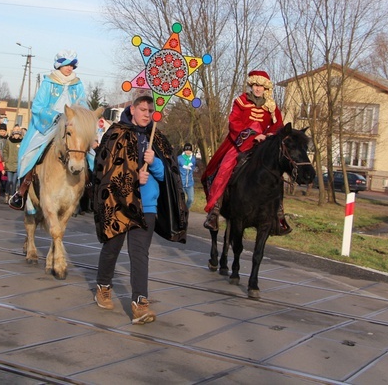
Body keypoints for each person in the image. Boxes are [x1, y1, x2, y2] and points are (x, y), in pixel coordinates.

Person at [92, 95, 188, 325]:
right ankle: (103, 286)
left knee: (139, 254)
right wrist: (135, 176)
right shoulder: (116, 133)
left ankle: (140, 304)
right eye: (142, 109)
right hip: (119, 203)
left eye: (149, 110)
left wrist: (154, 163)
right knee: (112, 247)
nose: (146, 113)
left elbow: (169, 176)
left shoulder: (159, 139)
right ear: (132, 109)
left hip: (147, 206)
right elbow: (104, 167)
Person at [201, 70, 284, 233]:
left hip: (264, 145)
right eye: (255, 85)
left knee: (277, 173)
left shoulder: (272, 106)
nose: (258, 88)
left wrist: (268, 136)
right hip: (241, 143)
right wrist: (253, 135)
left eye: (260, 85)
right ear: (251, 85)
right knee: (224, 168)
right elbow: (234, 122)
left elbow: (278, 126)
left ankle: (279, 215)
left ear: (265, 87)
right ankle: (215, 211)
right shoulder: (240, 101)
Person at [9, 50, 90, 210]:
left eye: (72, 65)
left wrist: (84, 118)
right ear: (59, 65)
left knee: (92, 152)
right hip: (50, 125)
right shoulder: (48, 82)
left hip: (73, 126)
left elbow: (84, 105)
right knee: (28, 154)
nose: (69, 68)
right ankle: (22, 192)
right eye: (66, 65)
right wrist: (56, 116)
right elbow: (38, 106)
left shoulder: (78, 84)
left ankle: (91, 189)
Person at [2, 124, 22, 201]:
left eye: (18, 134)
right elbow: (5, 151)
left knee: (14, 182)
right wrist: (6, 160)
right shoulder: (9, 141)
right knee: (9, 181)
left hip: (17, 165)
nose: (16, 136)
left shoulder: (22, 142)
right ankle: (7, 193)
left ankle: (11, 195)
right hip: (9, 164)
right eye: (15, 134)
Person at [178, 143, 197, 211]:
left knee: (191, 199)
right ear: (184, 150)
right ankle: (181, 212)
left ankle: (185, 210)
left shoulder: (193, 159)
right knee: (181, 200)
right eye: (186, 150)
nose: (188, 152)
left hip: (190, 183)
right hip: (181, 183)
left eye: (189, 150)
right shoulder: (179, 158)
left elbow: (194, 167)